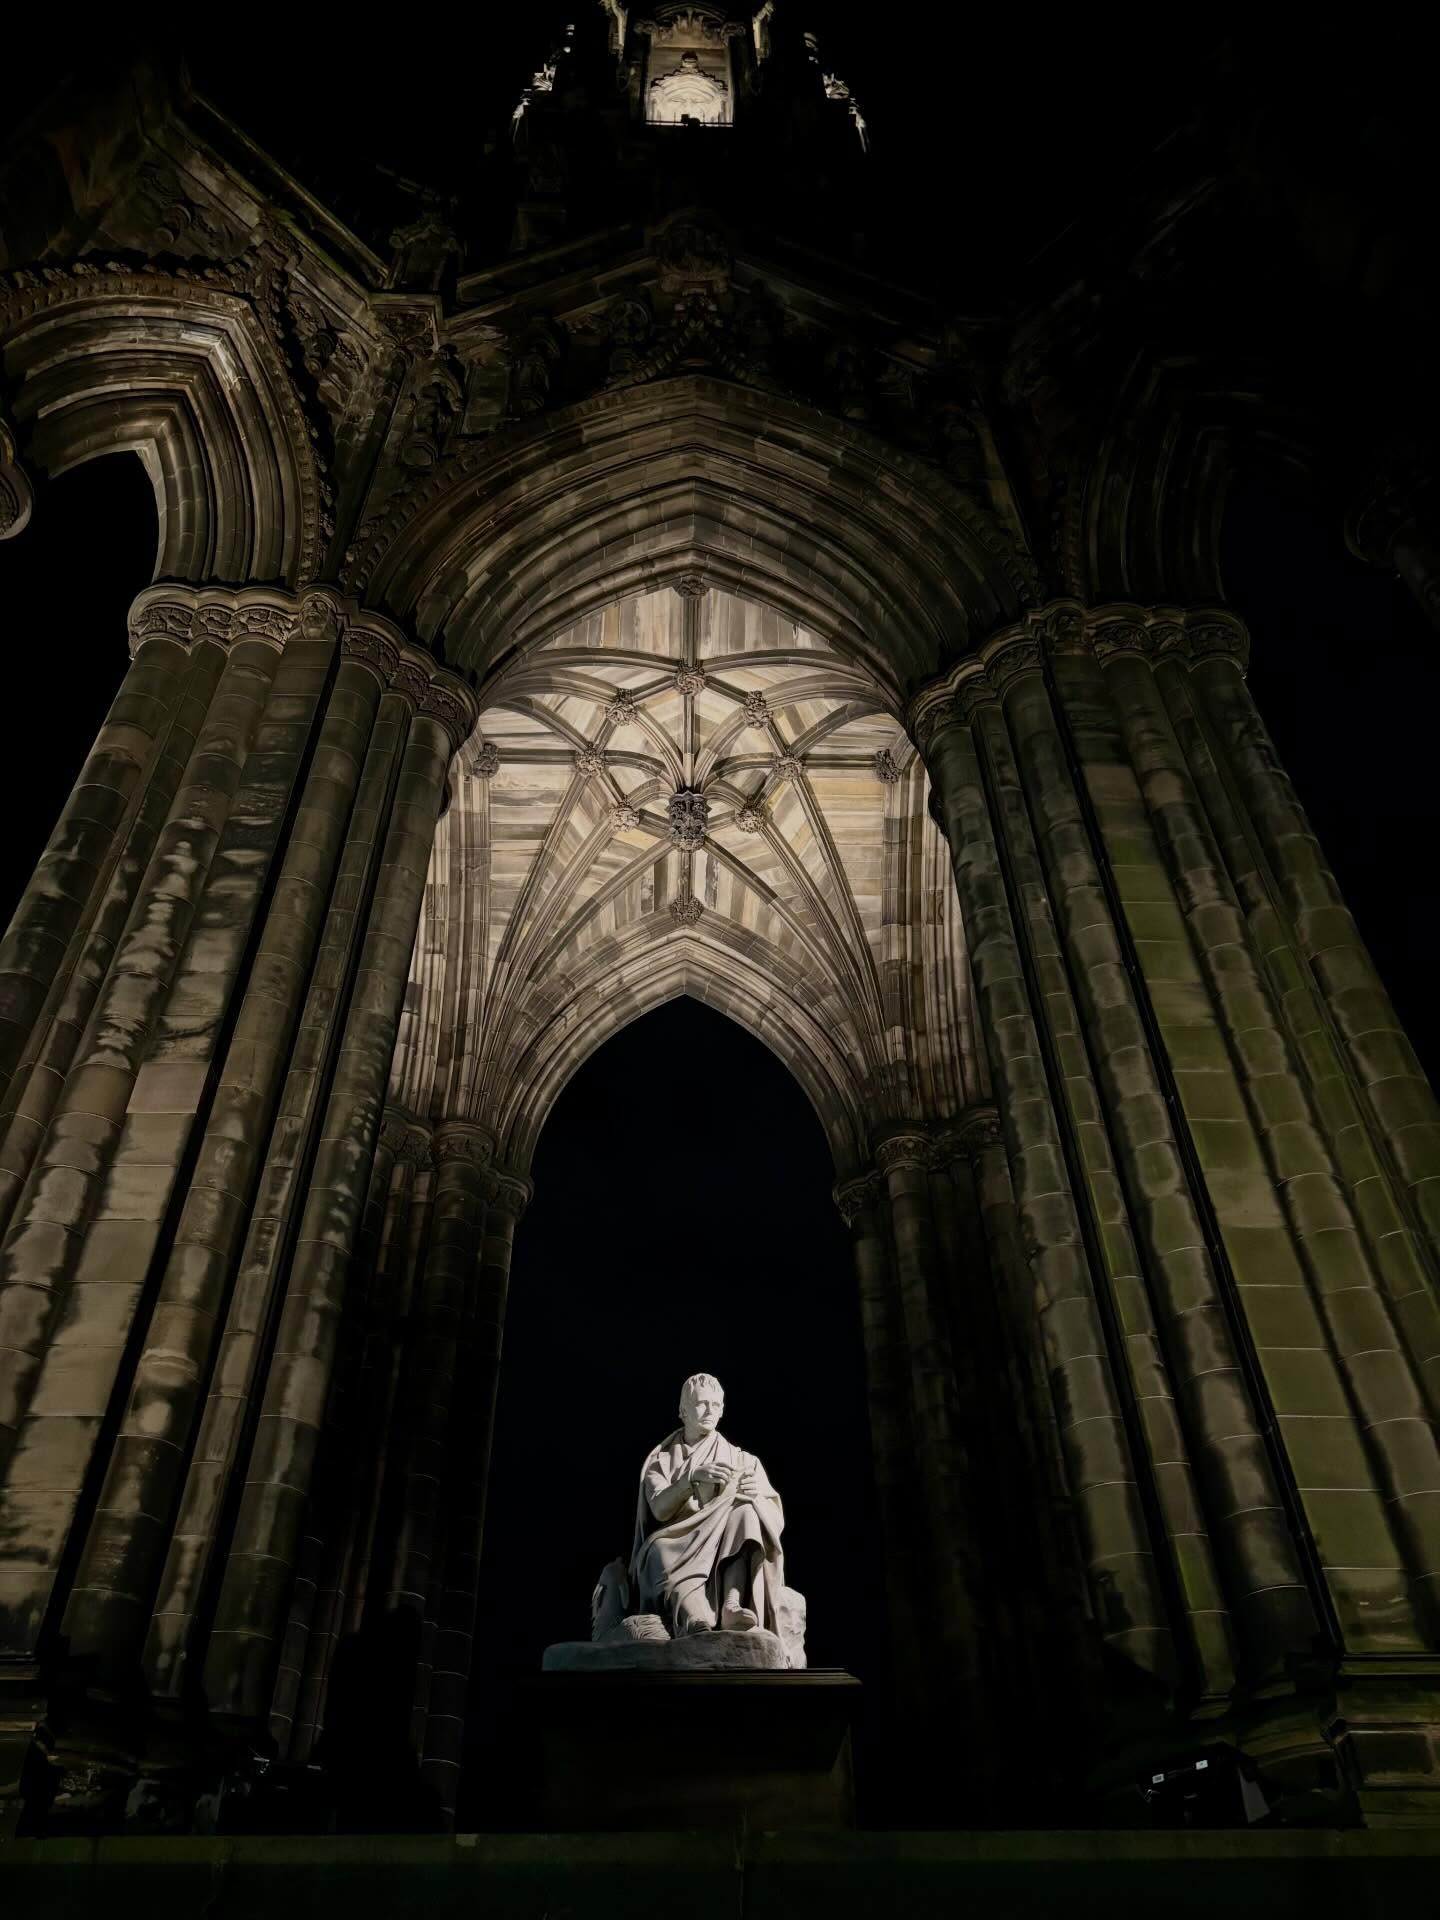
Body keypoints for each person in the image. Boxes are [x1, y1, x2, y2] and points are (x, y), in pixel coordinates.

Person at [630, 1372, 786, 1637]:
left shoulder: (744, 1460)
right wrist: (689, 1480)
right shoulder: (662, 1461)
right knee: (658, 1551)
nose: (709, 1411)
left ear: (722, 1409)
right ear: (683, 1410)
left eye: (715, 1405)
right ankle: (694, 1618)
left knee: (746, 1511)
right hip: (674, 1540)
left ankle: (731, 1603)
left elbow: (776, 1522)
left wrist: (757, 1496)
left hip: (722, 1540)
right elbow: (659, 1509)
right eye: (701, 1404)